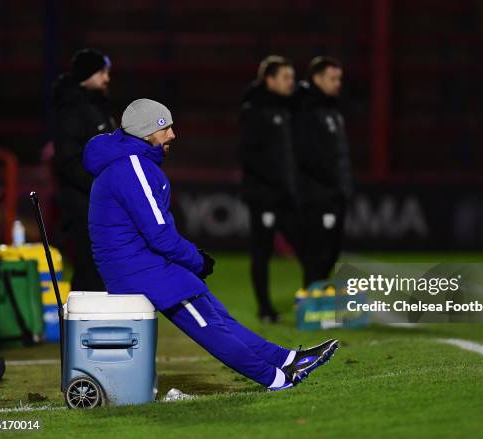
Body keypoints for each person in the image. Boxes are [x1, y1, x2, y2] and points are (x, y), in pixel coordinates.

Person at [83, 98, 338, 391]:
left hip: (142, 263)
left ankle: (288, 359)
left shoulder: (129, 164)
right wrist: (196, 260)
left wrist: (191, 260)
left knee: (217, 315)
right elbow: (159, 234)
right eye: (165, 128)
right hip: (138, 270)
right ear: (145, 133)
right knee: (209, 327)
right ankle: (277, 379)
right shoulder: (131, 167)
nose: (172, 135)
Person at [238, 55, 305, 322]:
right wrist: (270, 185)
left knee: (306, 247)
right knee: (262, 251)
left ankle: (311, 303)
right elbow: (249, 155)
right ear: (270, 79)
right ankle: (265, 309)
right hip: (264, 195)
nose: (292, 82)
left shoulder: (286, 108)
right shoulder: (254, 109)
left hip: (286, 194)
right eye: (286, 77)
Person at [52, 48, 115, 291]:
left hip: (96, 203)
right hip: (82, 206)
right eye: (101, 72)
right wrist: (101, 186)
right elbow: (68, 161)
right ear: (87, 74)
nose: (107, 78)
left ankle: (93, 325)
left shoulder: (95, 105)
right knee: (89, 269)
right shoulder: (73, 108)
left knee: (99, 268)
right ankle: (81, 326)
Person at [293, 56, 354, 286]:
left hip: (334, 193)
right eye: (332, 78)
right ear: (317, 79)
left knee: (331, 251)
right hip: (318, 194)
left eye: (339, 78)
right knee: (318, 252)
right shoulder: (306, 110)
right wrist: (332, 183)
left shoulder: (332, 110)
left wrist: (344, 187)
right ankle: (311, 303)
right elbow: (307, 154)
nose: (338, 83)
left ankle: (316, 299)